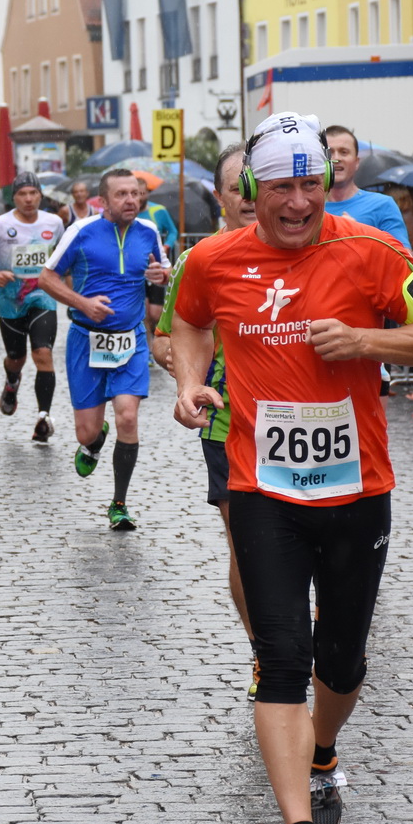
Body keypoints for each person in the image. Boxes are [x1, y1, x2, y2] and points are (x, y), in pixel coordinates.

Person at [167, 112, 413, 824]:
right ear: (251, 188)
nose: (297, 202)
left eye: (311, 185)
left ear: (328, 185)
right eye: (281, 187)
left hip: (357, 488)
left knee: (344, 660)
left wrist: (367, 343)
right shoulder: (212, 257)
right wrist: (191, 382)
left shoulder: (374, 252)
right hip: (261, 487)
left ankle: (323, 751)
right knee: (282, 655)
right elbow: (188, 320)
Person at [149, 143, 257, 696]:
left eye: (266, 181)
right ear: (219, 195)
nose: (253, 196)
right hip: (228, 424)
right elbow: (167, 336)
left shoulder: (316, 249)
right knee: (249, 545)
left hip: (311, 425)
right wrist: (187, 376)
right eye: (240, 186)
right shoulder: (203, 260)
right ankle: (264, 649)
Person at [39, 168, 171, 530]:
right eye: (122, 195)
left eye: (135, 194)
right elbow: (46, 278)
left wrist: (161, 277)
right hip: (86, 340)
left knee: (128, 416)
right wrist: (82, 303)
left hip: (131, 340)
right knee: (86, 432)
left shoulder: (149, 231)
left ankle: (119, 504)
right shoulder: (81, 231)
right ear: (103, 201)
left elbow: (164, 270)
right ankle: (94, 443)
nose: (132, 200)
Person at [0, 171, 65, 442]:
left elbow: (64, 253)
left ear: (40, 195)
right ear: (14, 198)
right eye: (23, 194)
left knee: (43, 354)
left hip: (43, 297)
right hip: (11, 302)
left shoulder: (54, 222)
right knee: (16, 358)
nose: (28, 199)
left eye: (33, 193)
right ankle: (12, 382)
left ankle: (43, 416)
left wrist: (70, 289)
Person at [320, 126, 412, 248]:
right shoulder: (307, 208)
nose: (336, 158)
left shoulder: (382, 205)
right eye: (330, 153)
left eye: (344, 152)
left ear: (357, 162)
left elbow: (404, 259)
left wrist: (357, 233)